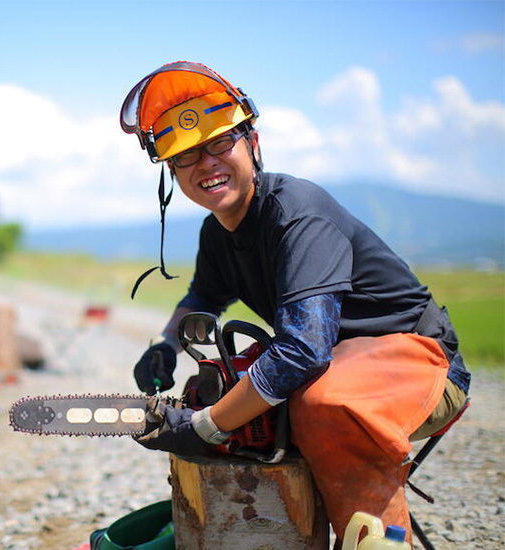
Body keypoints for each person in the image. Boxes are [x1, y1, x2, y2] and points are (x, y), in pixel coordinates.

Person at [119, 61, 471, 544]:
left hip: (422, 364)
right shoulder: (218, 232)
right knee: (245, 396)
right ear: (172, 173)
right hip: (342, 360)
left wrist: (205, 427)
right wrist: (166, 346)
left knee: (321, 402)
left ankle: (381, 539)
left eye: (220, 143)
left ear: (253, 143)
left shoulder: (296, 215)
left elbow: (303, 351)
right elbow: (204, 295)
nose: (206, 163)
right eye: (187, 156)